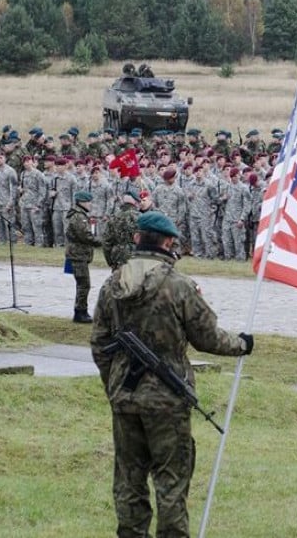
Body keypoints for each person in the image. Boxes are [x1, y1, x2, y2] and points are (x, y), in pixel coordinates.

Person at [90, 210, 254, 538]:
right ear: (168, 243)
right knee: (171, 481)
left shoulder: (113, 283)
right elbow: (207, 337)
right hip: (167, 399)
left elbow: (99, 342)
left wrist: (114, 384)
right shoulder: (178, 285)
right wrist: (241, 345)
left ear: (136, 239)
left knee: (129, 479)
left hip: (124, 397)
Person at [65, 191, 102, 323]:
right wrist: (101, 242)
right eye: (89, 201)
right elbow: (85, 236)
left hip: (78, 253)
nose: (90, 204)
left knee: (82, 283)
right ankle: (80, 312)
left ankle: (81, 311)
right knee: (84, 284)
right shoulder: (79, 217)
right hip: (78, 254)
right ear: (82, 202)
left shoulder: (79, 215)